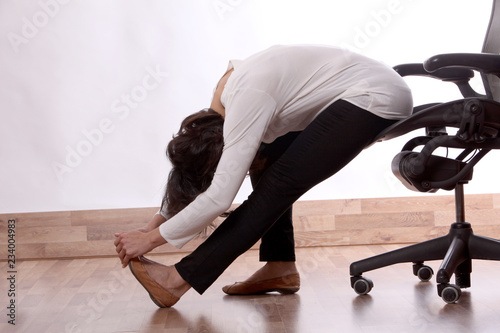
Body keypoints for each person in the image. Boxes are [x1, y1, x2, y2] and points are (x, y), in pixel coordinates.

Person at [114, 44, 413, 307]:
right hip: (365, 89)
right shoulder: (219, 110)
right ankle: (280, 267)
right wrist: (153, 224)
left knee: (274, 187)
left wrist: (152, 240)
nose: (246, 168)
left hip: (373, 96)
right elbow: (193, 172)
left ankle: (176, 279)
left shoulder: (247, 100)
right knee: (269, 160)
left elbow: (219, 196)